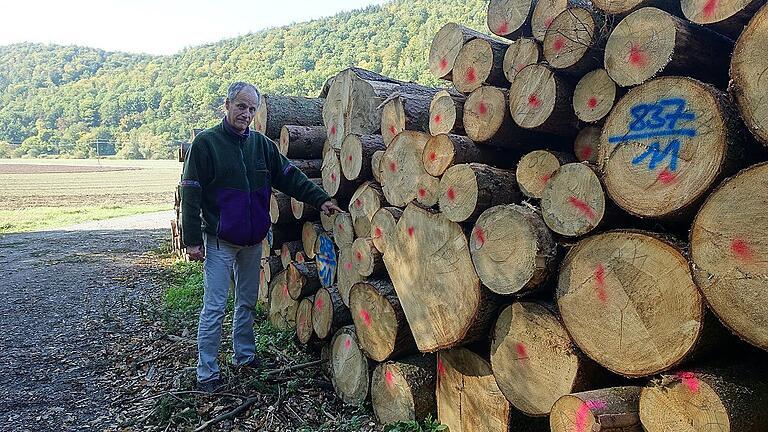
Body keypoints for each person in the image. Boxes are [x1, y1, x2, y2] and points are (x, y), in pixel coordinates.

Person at [180, 81, 341, 392]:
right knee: (214, 306)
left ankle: (244, 355)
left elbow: (290, 176)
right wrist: (191, 239)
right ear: (226, 105)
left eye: (252, 109)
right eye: (241, 106)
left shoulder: (262, 146)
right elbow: (191, 191)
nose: (246, 114)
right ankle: (207, 373)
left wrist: (320, 198)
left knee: (247, 302)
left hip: (253, 241)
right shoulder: (206, 144)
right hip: (219, 240)